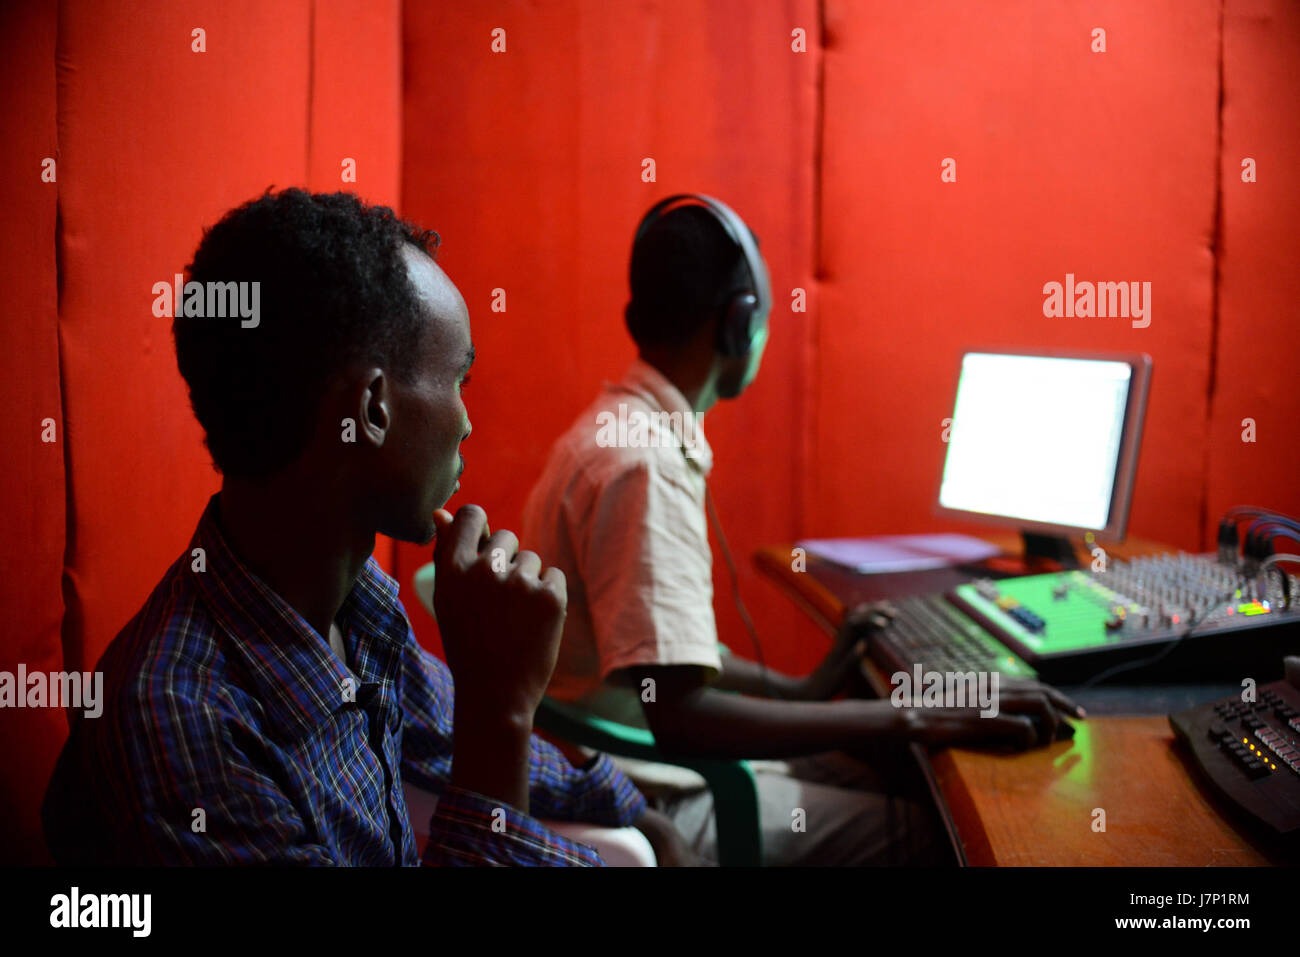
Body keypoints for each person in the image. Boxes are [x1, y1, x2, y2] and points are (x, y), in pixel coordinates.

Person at [41, 188, 689, 866]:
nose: (467, 423)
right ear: (372, 409)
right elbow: (474, 737)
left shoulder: (353, 601)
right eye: (458, 379)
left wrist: (642, 812)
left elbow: (437, 731)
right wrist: (500, 708)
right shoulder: (184, 728)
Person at [521, 194, 1085, 866]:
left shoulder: (615, 431)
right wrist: (919, 712)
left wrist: (801, 689)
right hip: (661, 794)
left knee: (896, 772)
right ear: (738, 323)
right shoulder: (644, 466)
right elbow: (680, 712)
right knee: (937, 834)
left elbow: (656, 658)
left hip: (640, 760)